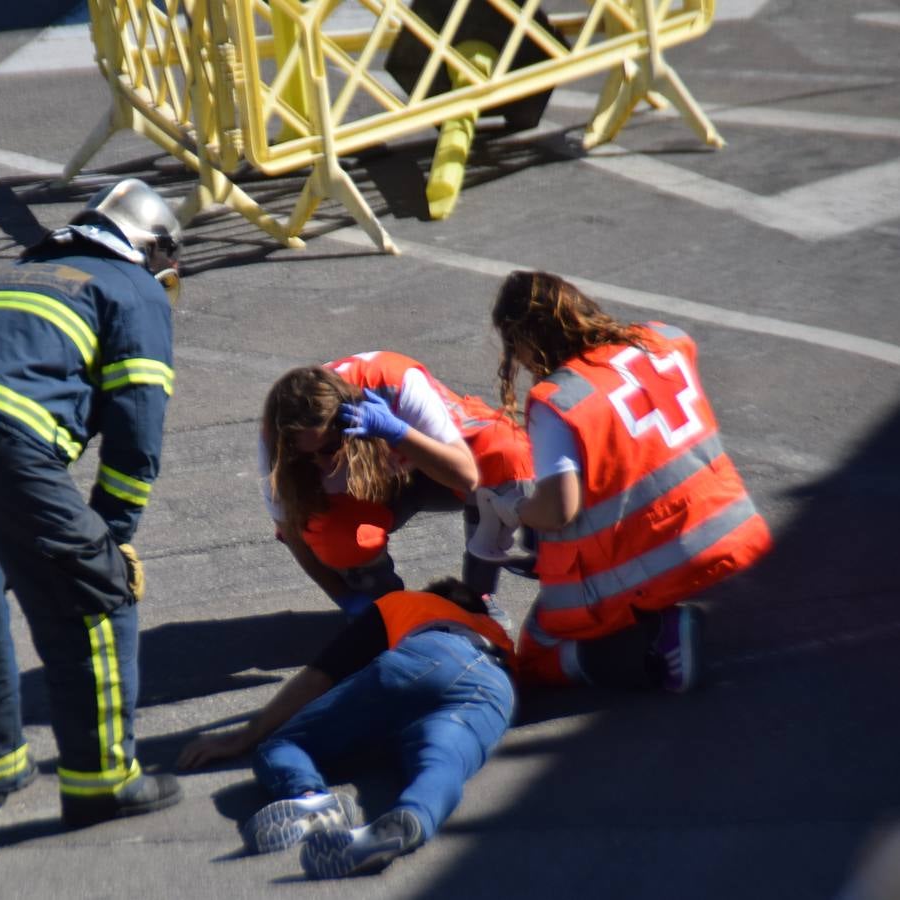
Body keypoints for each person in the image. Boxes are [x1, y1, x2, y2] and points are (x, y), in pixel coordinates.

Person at [0, 179, 184, 826]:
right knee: (99, 600)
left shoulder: (21, 272)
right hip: (1, 441)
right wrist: (112, 538)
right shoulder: (133, 291)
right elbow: (136, 431)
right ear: (152, 248)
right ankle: (102, 781)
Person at [488, 270, 773, 692]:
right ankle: (654, 614)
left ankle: (655, 640)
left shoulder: (558, 400)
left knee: (538, 656)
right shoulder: (663, 339)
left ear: (528, 336)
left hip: (654, 555)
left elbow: (558, 509)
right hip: (726, 527)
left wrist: (514, 508)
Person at [177, 576, 515, 879]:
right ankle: (411, 818)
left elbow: (320, 676)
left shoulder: (406, 602)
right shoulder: (499, 637)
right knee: (443, 762)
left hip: (430, 656)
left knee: (284, 745)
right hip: (496, 687)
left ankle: (309, 796)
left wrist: (245, 736)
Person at [260, 351, 534, 619]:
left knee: (507, 457)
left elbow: (466, 476)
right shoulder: (277, 442)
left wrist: (396, 432)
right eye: (306, 456)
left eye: (329, 447)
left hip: (435, 470)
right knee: (329, 533)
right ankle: (389, 610)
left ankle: (477, 597)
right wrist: (344, 597)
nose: (321, 462)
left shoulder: (396, 386)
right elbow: (294, 536)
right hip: (366, 492)